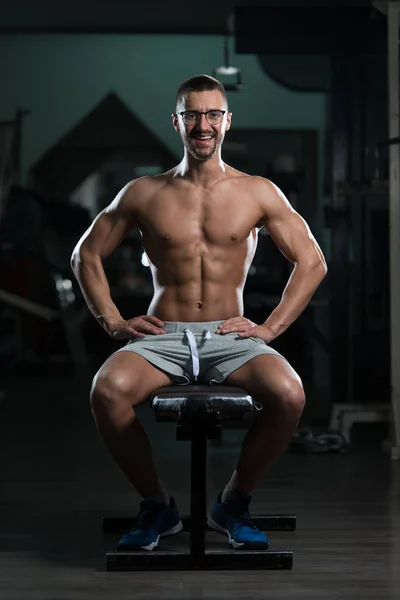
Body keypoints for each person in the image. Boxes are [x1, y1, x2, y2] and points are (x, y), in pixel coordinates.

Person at [70, 74, 327, 552]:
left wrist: (269, 328)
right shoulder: (143, 192)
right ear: (177, 122)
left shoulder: (257, 192)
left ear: (227, 121)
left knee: (289, 395)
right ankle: (157, 506)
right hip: (162, 334)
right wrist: (113, 321)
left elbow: (312, 261)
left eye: (212, 115)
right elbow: (85, 255)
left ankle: (233, 502)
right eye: (192, 114)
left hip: (231, 337)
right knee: (107, 391)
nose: (202, 125)